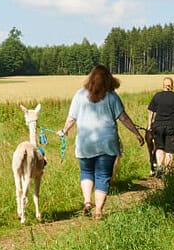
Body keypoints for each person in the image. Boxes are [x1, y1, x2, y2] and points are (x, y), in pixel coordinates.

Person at [57, 65, 145, 220]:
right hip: (107, 144)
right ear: (108, 79)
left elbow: (72, 118)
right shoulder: (111, 96)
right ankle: (98, 211)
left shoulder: (79, 95)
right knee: (103, 176)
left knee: (86, 172)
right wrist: (137, 133)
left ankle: (87, 201)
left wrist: (64, 131)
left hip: (85, 143)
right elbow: (123, 118)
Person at [147, 76, 174, 175]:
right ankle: (168, 171)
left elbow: (151, 111)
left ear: (163, 86)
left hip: (158, 126)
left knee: (159, 148)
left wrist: (149, 125)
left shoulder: (157, 96)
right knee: (169, 150)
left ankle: (160, 167)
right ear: (172, 86)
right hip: (171, 126)